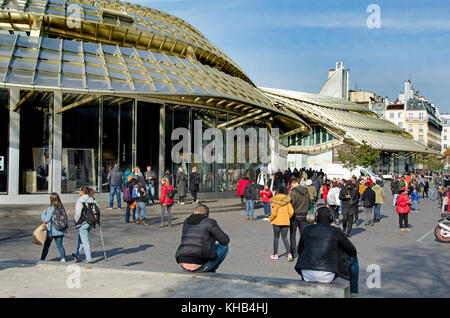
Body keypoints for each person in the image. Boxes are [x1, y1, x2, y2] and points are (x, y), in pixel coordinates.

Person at [294, 207, 359, 295]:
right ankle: (354, 292)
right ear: (331, 218)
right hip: (326, 275)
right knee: (353, 258)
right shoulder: (336, 231)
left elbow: (300, 250)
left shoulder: (307, 229)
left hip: (306, 274)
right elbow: (352, 252)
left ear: (316, 219)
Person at [176, 204, 230, 273]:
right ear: (207, 215)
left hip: (182, 264)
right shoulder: (209, 222)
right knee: (224, 247)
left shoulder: (186, 222)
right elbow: (225, 240)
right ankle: (211, 270)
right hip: (201, 265)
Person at [73, 186, 99, 263]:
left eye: (80, 191)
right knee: (81, 238)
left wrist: (76, 221)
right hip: (91, 222)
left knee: (85, 241)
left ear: (83, 192)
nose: (79, 192)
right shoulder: (92, 199)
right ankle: (77, 255)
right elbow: (98, 209)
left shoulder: (80, 200)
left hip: (83, 222)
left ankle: (89, 258)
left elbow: (78, 213)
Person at [269, 187, 294, 261]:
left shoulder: (274, 200)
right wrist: (287, 217)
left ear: (277, 191)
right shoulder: (287, 201)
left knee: (276, 238)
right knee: (285, 238)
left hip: (276, 221)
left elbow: (273, 212)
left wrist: (271, 218)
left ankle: (275, 254)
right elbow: (291, 211)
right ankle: (289, 254)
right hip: (285, 221)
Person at [40, 193, 67, 262]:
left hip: (51, 231)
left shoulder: (50, 208)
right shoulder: (61, 208)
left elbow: (45, 220)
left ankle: (42, 259)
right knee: (60, 245)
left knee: (46, 246)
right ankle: (63, 258)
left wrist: (43, 214)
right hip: (60, 230)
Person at [288, 177, 310, 258]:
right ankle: (303, 251)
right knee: (303, 234)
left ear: (293, 184)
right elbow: (309, 201)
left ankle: (293, 252)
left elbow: (290, 203)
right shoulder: (306, 190)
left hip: (295, 214)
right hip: (303, 214)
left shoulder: (293, 192)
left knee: (292, 234)